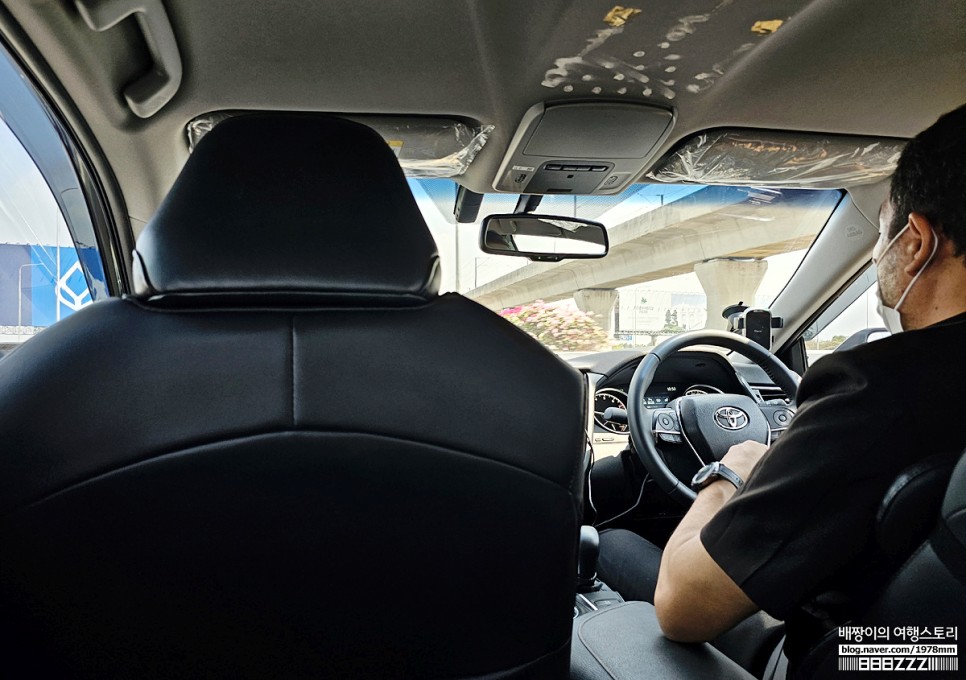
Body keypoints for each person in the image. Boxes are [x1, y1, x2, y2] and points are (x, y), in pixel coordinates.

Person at [594, 103, 966, 670]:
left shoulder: (879, 391)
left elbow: (681, 607)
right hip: (935, 647)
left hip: (860, 657)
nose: (877, 252)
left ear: (915, 241)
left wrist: (732, 473)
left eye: (882, 230)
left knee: (613, 546)